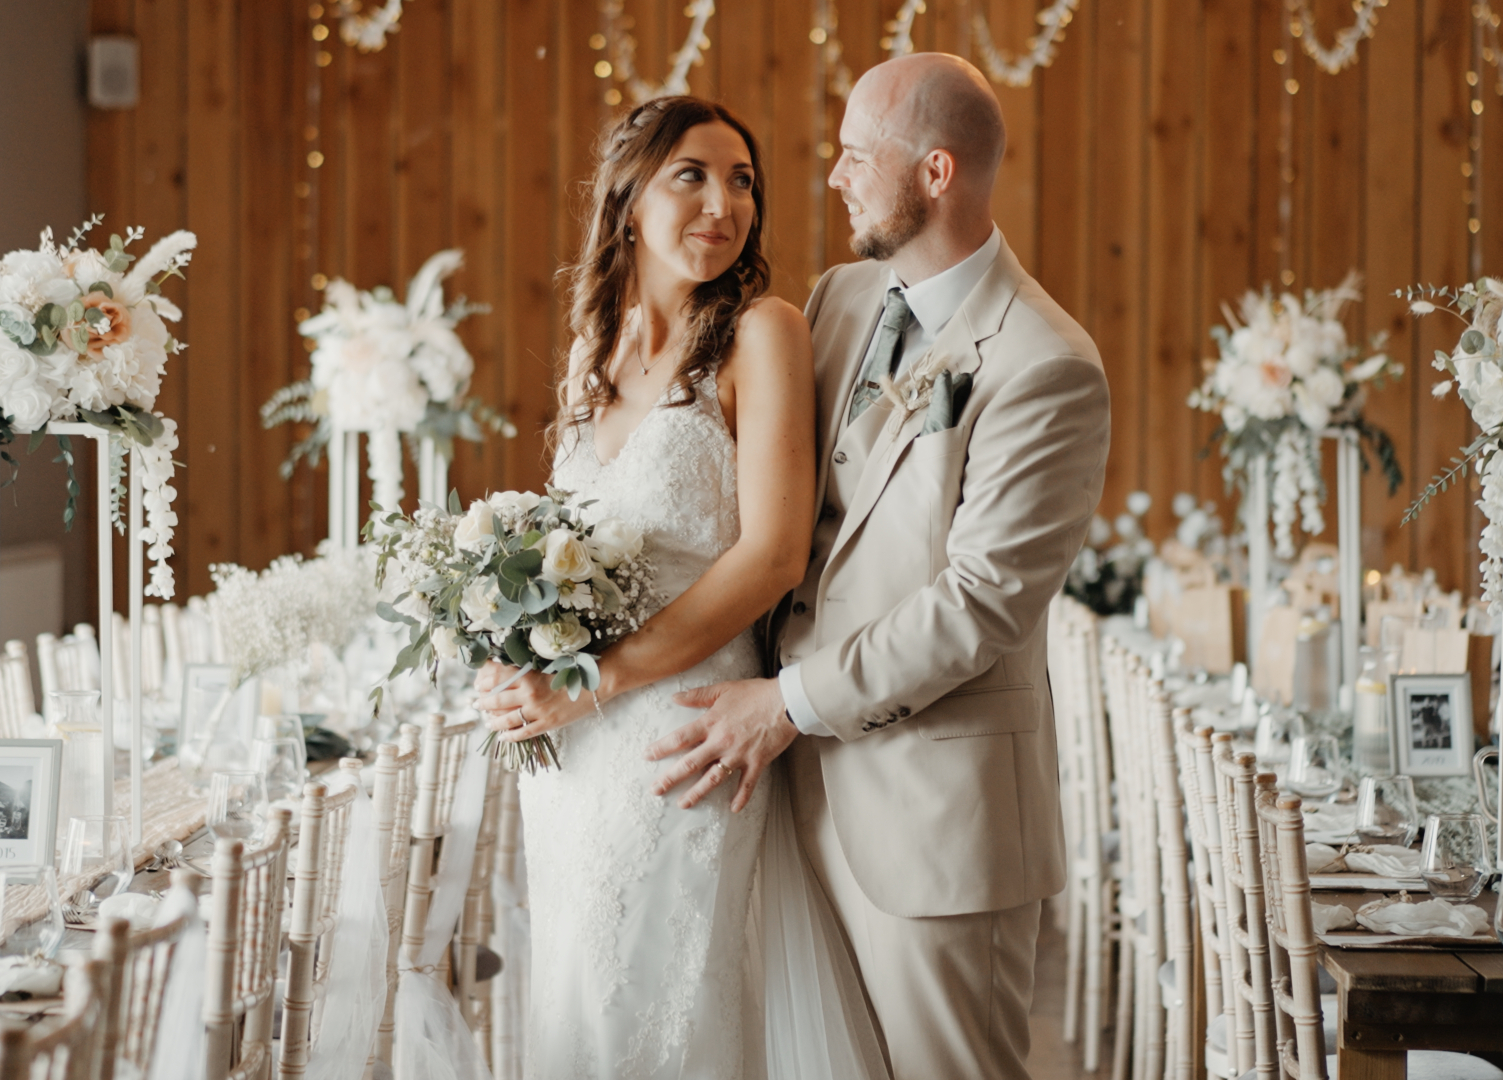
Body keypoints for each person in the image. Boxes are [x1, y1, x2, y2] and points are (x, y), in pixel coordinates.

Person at [649, 54, 1112, 1078]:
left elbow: (978, 606)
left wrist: (788, 702)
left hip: (935, 823)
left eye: (858, 155)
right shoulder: (840, 299)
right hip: (789, 799)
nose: (834, 177)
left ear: (935, 174)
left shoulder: (1047, 364)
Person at [472, 96, 882, 1080]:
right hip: (574, 756)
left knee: (665, 1002)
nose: (723, 201)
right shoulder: (593, 352)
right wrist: (512, 644)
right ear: (626, 203)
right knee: (578, 992)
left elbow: (773, 554)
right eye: (691, 175)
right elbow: (566, 549)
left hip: (687, 728)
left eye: (742, 180)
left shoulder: (761, 333)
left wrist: (595, 680)